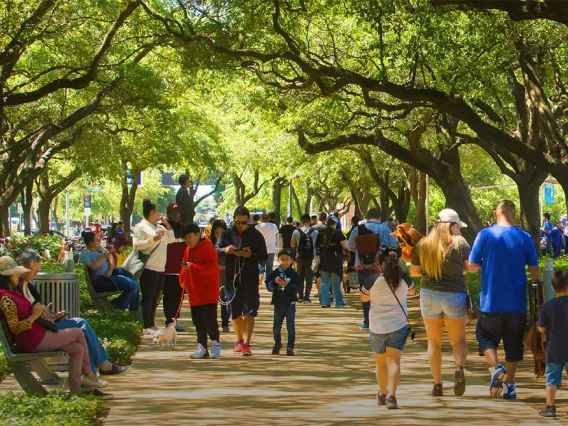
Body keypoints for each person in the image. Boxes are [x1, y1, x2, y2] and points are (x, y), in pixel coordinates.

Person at [0, 256, 111, 398]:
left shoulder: (13, 293)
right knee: (78, 332)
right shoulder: (6, 298)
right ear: (6, 277)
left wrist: (42, 316)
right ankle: (89, 375)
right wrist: (35, 315)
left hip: (36, 335)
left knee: (77, 348)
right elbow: (15, 328)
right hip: (32, 339)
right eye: (15, 273)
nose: (18, 275)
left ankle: (76, 391)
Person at [469, 200, 542, 399]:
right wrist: (541, 291)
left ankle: (495, 367)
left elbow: (473, 265)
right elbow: (535, 270)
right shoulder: (524, 237)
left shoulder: (484, 235)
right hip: (517, 303)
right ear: (514, 215)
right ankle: (509, 384)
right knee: (513, 345)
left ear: (495, 214)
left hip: (490, 301)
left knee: (485, 337)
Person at [18, 249, 130, 377]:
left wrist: (50, 316)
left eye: (38, 269)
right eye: (33, 269)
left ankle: (94, 375)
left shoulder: (29, 286)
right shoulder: (17, 289)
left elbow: (35, 312)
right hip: (37, 333)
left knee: (80, 328)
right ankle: (99, 370)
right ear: (22, 267)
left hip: (43, 326)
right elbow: (27, 315)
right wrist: (40, 316)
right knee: (80, 325)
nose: (36, 273)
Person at [410, 209, 471, 397]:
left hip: (429, 295)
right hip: (454, 295)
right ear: (452, 225)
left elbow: (414, 272)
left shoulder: (423, 244)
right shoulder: (460, 243)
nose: (459, 230)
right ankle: (459, 367)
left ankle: (437, 384)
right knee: (458, 340)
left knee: (434, 342)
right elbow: (470, 267)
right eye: (458, 226)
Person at [360, 247, 416, 409]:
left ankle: (382, 392)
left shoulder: (373, 280)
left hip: (377, 326)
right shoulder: (404, 278)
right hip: (398, 325)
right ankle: (392, 396)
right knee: (394, 362)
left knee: (381, 363)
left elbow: (363, 297)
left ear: (379, 263)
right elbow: (412, 293)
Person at [215, 206, 267, 356]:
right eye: (237, 222)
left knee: (251, 310)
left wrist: (250, 255)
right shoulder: (226, 234)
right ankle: (239, 341)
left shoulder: (256, 235)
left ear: (248, 220)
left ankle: (247, 342)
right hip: (232, 278)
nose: (240, 226)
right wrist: (225, 250)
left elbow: (263, 254)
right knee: (235, 310)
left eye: (243, 223)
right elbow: (215, 248)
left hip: (250, 277)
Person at [347, 208, 397, 330]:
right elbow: (393, 246)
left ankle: (367, 321)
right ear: (379, 217)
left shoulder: (357, 229)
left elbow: (350, 246)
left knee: (365, 294)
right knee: (382, 294)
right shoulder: (385, 229)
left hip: (362, 266)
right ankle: (382, 320)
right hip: (381, 267)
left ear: (367, 216)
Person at [132, 199, 175, 334]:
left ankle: (152, 323)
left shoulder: (160, 227)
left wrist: (167, 225)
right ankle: (146, 325)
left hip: (161, 268)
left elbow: (171, 239)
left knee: (155, 297)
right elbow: (137, 245)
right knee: (148, 297)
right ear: (151, 213)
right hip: (149, 267)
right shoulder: (141, 227)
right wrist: (153, 239)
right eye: (157, 211)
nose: (159, 214)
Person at [179, 223, 220, 359]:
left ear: (198, 234)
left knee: (209, 320)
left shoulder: (208, 248)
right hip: (194, 292)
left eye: (190, 237)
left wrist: (194, 267)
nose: (188, 241)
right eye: (186, 238)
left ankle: (215, 344)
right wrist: (182, 280)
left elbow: (212, 269)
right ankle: (202, 346)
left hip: (208, 292)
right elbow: (185, 267)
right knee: (197, 321)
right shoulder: (187, 250)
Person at [79, 231, 140, 311]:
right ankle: (118, 306)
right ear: (91, 243)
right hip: (101, 280)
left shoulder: (99, 247)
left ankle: (131, 308)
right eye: (97, 240)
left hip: (109, 272)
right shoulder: (85, 254)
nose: (99, 241)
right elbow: (93, 266)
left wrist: (110, 269)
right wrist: (103, 257)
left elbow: (110, 256)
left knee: (135, 280)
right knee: (133, 285)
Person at [538, 270, 568, 418]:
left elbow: (541, 328)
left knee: (551, 380)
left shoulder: (547, 306)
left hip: (554, 349)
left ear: (552, 286)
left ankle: (550, 407)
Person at [265, 249, 300, 356]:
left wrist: (287, 285)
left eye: (287, 260)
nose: (284, 262)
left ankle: (290, 347)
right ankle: (277, 343)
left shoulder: (294, 274)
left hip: (290, 303)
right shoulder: (274, 273)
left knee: (290, 326)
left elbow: (297, 288)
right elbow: (269, 286)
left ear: (291, 261)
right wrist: (274, 282)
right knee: (276, 327)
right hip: (278, 303)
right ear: (278, 260)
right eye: (282, 259)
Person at [162, 203, 187, 332]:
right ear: (168, 214)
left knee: (179, 296)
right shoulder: (163, 228)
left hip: (180, 269)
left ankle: (174, 320)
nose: (176, 215)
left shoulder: (183, 229)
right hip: (166, 269)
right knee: (168, 296)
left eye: (178, 212)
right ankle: (168, 321)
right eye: (173, 212)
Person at [315, 217, 347, 308]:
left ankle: (325, 302)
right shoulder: (338, 233)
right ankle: (338, 301)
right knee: (336, 281)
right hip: (336, 259)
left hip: (324, 258)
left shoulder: (320, 233)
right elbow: (345, 246)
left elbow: (317, 246)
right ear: (335, 224)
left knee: (324, 281)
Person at [290, 214, 318, 303]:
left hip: (300, 257)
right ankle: (307, 297)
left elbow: (293, 245)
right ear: (310, 221)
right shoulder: (315, 232)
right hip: (311, 257)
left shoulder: (296, 232)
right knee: (309, 277)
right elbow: (317, 245)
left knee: (300, 276)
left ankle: (300, 296)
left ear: (301, 222)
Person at [209, 220, 230, 333]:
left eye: (221, 233)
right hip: (212, 278)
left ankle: (225, 323)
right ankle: (212, 324)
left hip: (224, 277)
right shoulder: (209, 245)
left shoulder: (228, 247)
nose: (219, 236)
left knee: (224, 300)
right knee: (211, 302)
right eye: (217, 233)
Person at [256, 213, 279, 278]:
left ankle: (261, 274)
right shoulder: (274, 226)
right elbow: (277, 234)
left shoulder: (257, 227)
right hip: (271, 249)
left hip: (260, 249)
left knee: (260, 264)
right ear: (269, 218)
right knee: (269, 266)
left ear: (261, 219)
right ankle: (269, 281)